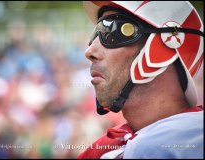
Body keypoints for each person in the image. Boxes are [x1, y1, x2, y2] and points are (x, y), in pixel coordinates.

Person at [78, 1, 204, 159]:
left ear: (162, 51)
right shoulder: (98, 151)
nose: (89, 51)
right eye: (95, 33)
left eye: (112, 31)